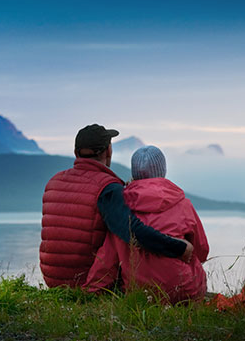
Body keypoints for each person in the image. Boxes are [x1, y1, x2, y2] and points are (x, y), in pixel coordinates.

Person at [40, 124, 193, 288]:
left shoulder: (54, 182)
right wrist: (178, 248)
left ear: (76, 153)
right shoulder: (107, 188)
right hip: (87, 281)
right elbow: (133, 231)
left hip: (53, 280)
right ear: (108, 152)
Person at [84, 145, 209, 302]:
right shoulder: (183, 204)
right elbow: (202, 250)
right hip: (185, 291)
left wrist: (90, 290)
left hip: (140, 293)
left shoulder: (121, 210)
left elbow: (107, 258)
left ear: (134, 173)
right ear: (162, 170)